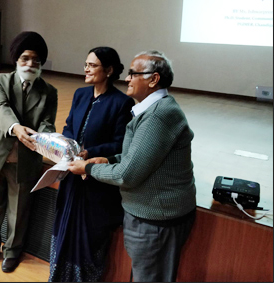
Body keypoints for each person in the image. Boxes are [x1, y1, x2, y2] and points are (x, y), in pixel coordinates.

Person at [68, 50, 197, 282]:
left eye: (133, 74)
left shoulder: (157, 116)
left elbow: (128, 175)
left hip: (156, 219)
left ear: (153, 79)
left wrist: (87, 168)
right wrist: (109, 160)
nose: (127, 79)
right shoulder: (155, 110)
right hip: (152, 215)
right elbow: (139, 158)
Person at [0, 31, 58, 273]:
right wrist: (16, 128)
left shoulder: (49, 92)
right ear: (16, 59)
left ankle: (12, 253)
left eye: (36, 60)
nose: (30, 63)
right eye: (25, 58)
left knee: (19, 212)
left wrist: (48, 138)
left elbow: (47, 122)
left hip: (26, 161)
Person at [48, 47, 135, 282]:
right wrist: (64, 144)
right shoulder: (80, 94)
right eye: (86, 64)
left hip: (96, 182)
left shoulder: (122, 103)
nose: (86, 69)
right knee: (64, 230)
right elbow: (69, 126)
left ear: (108, 70)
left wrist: (89, 153)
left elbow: (120, 144)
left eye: (92, 65)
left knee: (89, 236)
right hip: (72, 177)